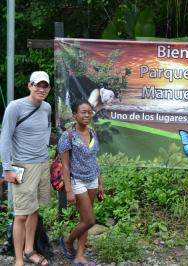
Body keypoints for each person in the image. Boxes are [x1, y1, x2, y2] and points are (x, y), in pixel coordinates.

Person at [0, 71, 52, 266]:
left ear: (48, 89)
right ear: (29, 85)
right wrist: (7, 169)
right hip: (23, 166)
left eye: (45, 86)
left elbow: (45, 132)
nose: (41, 89)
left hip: (42, 164)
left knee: (34, 210)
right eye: (37, 85)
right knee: (21, 214)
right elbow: (5, 138)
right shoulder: (15, 107)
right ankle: (19, 259)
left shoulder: (46, 107)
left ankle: (30, 251)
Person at [58, 99, 103, 266]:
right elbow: (65, 165)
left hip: (92, 179)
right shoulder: (67, 136)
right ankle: (68, 242)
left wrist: (100, 184)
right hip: (77, 181)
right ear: (74, 115)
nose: (87, 115)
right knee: (90, 220)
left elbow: (94, 160)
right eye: (83, 112)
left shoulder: (93, 133)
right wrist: (68, 190)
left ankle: (80, 256)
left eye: (89, 112)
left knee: (85, 219)